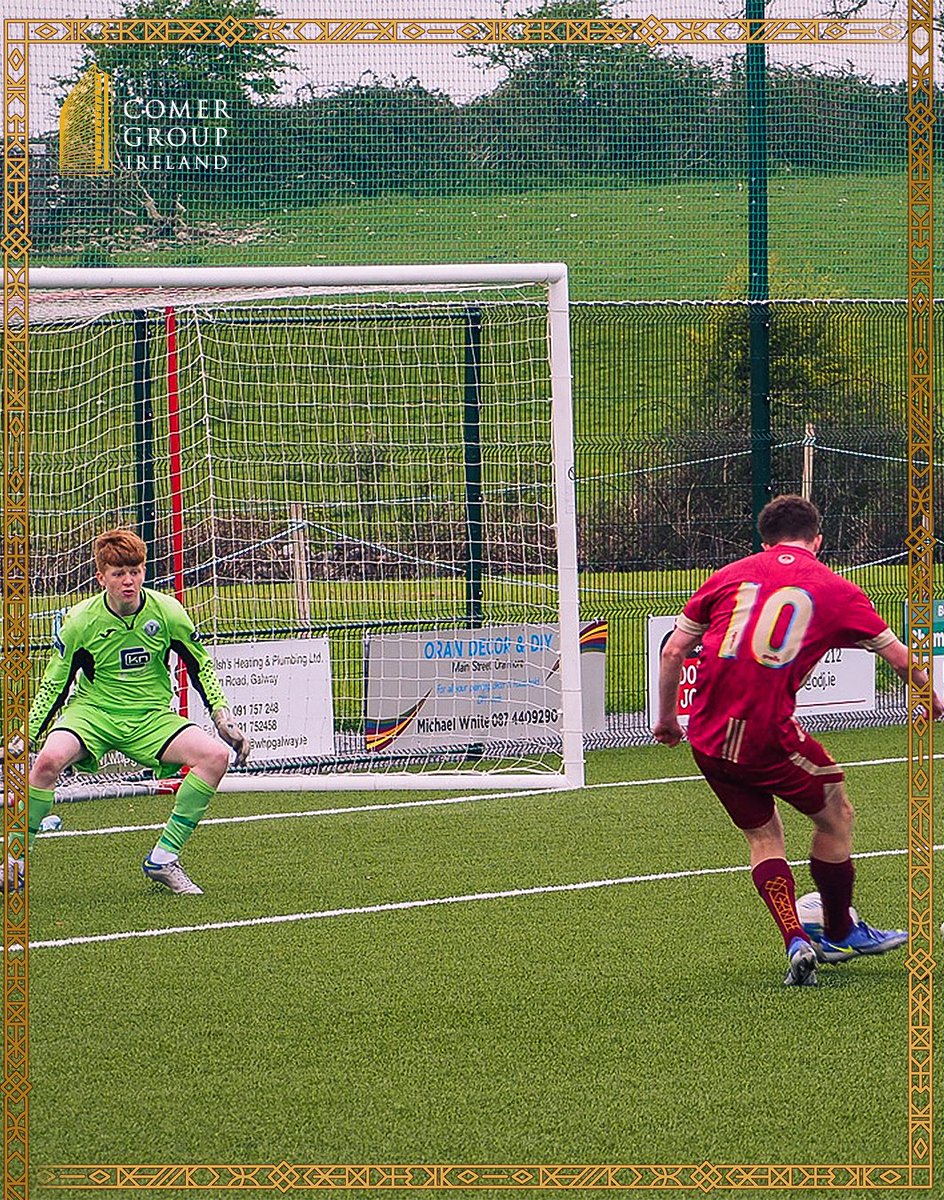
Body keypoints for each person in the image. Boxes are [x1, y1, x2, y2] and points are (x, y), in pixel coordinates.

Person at [653, 494, 943, 987]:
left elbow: (674, 650)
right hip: (766, 733)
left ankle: (796, 942)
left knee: (763, 837)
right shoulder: (836, 589)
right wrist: (931, 698)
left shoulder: (727, 576)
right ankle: (838, 930)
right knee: (838, 814)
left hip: (706, 735)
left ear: (764, 541)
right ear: (818, 541)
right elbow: (898, 658)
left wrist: (666, 721)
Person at [23, 528, 251, 895]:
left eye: (135, 571)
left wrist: (222, 717)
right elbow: (54, 683)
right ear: (101, 577)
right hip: (93, 714)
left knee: (214, 756)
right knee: (48, 760)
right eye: (118, 574)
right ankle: (16, 861)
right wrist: (28, 736)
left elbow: (201, 666)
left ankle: (163, 858)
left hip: (150, 718)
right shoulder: (81, 622)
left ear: (144, 571)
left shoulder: (168, 612)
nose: (128, 581)